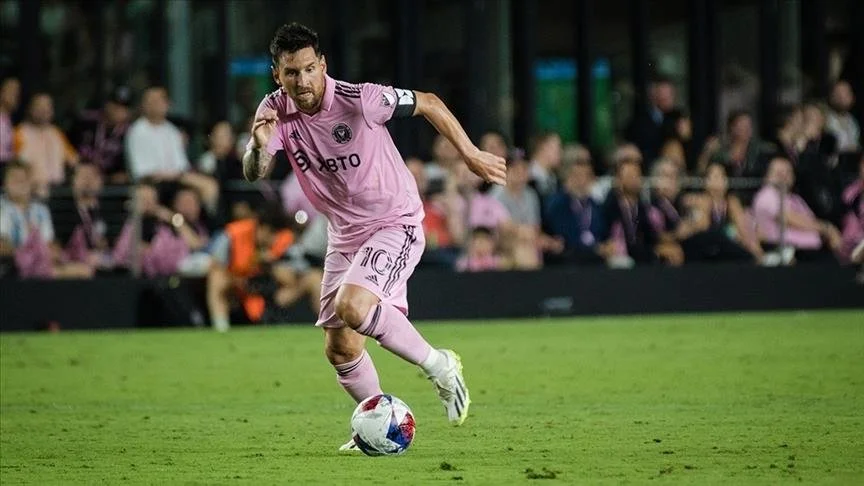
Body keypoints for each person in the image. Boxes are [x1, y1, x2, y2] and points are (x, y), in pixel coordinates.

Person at [242, 23, 506, 447]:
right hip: (344, 234)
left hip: (394, 222)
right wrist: (257, 146)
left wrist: (471, 155)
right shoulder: (273, 109)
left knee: (352, 306)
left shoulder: (361, 99)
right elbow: (254, 171)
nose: (303, 80)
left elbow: (430, 102)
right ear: (277, 74)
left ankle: (440, 365)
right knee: (341, 348)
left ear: (322, 64)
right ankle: (379, 421)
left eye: (309, 69)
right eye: (292, 72)